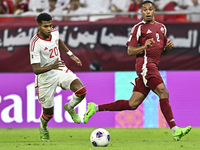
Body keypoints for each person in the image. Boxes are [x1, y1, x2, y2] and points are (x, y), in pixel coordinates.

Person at [83, 1, 192, 141]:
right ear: (141, 12)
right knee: (163, 92)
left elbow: (161, 53)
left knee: (132, 104)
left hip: (152, 66)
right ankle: (175, 129)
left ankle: (95, 108)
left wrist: (168, 49)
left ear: (154, 11)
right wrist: (144, 47)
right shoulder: (138, 28)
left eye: (150, 9)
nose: (147, 12)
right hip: (145, 65)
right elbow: (130, 51)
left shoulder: (162, 28)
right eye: (144, 9)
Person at [29, 13, 87, 142]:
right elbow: (36, 69)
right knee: (48, 114)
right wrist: (51, 66)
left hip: (59, 69)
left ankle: (70, 107)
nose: (49, 29)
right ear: (38, 26)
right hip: (45, 78)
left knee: (81, 91)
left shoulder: (54, 33)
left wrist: (71, 54)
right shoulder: (35, 43)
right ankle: (43, 128)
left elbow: (58, 41)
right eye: (45, 26)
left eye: (50, 25)